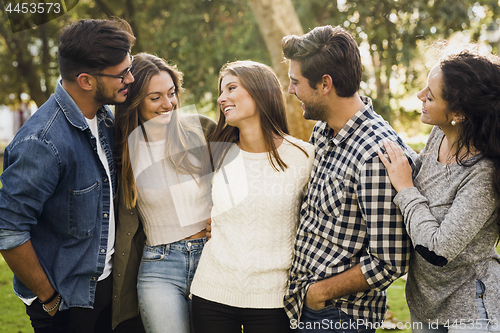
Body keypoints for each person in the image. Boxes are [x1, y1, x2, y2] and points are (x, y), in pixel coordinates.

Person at [0, 19, 135, 333]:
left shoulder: (105, 120)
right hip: (65, 303)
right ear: (86, 81)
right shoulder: (42, 142)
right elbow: (7, 229)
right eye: (121, 74)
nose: (130, 79)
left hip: (105, 290)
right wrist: (48, 298)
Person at [281, 25, 413, 332]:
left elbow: (389, 260)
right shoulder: (323, 131)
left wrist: (320, 293)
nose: (290, 90)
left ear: (325, 83)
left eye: (295, 82)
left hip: (339, 317)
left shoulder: (373, 155)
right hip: (304, 306)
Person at [378, 47, 500, 332]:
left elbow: (437, 250)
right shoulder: (438, 136)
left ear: (458, 112)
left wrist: (405, 188)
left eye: (430, 96)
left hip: (471, 313)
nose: (420, 96)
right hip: (425, 307)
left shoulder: (482, 173)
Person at [190, 60, 314, 333]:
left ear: (260, 91)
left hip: (274, 298)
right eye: (221, 91)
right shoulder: (216, 153)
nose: (222, 98)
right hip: (212, 292)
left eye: (231, 88)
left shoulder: (304, 157)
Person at [113, 52, 216, 333]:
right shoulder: (121, 148)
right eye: (155, 97)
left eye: (171, 93)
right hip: (160, 265)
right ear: (135, 100)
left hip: (212, 259)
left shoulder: (202, 130)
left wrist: (221, 217)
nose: (168, 104)